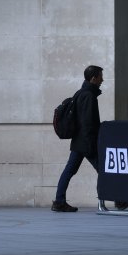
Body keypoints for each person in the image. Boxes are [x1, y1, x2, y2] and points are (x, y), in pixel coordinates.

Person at [52, 65, 104, 212]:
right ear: (93, 78)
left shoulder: (80, 93)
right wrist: (92, 144)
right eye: (100, 77)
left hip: (79, 141)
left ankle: (59, 201)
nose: (102, 80)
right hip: (86, 142)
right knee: (104, 170)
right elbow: (88, 122)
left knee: (69, 170)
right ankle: (118, 200)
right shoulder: (88, 95)